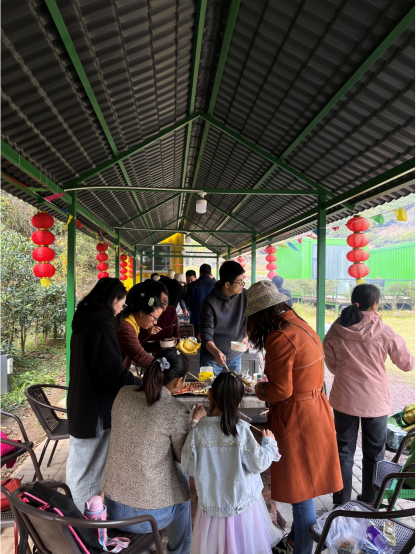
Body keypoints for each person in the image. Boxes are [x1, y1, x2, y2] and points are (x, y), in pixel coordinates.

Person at [245, 280, 342, 554]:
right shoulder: (302, 325)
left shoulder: (280, 336)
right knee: (306, 487)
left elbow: (280, 390)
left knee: (300, 492)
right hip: (316, 409)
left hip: (297, 417)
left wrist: (257, 388)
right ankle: (297, 543)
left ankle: (301, 549)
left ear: (260, 314)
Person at [103, 349, 206, 554]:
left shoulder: (123, 394)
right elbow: (186, 458)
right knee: (183, 484)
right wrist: (195, 422)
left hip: (112, 507)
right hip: (144, 518)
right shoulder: (174, 409)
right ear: (179, 382)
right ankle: (179, 552)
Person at [323, 284, 414, 506]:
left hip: (344, 397)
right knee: (374, 453)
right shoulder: (383, 330)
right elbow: (407, 364)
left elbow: (332, 364)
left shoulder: (337, 328)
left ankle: (341, 502)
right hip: (375, 400)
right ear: (375, 304)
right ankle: (370, 500)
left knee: (343, 451)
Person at [182, 373, 281, 554]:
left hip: (211, 511)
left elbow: (188, 466)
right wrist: (269, 444)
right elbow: (258, 464)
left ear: (210, 395)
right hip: (242, 509)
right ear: (238, 404)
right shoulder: (241, 430)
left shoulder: (198, 432)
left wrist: (195, 422)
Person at [67, 278, 141, 511]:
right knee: (89, 475)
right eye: (122, 303)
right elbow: (112, 375)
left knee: (79, 468)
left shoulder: (85, 319)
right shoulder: (101, 325)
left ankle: (73, 518)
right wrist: (141, 384)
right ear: (113, 299)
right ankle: (83, 524)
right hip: (94, 409)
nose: (121, 309)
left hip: (81, 403)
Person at [199, 260, 248, 375]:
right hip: (211, 357)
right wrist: (217, 353)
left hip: (235, 356)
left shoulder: (245, 296)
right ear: (227, 284)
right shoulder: (209, 302)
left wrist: (246, 337)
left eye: (243, 281)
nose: (242, 284)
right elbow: (206, 335)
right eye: (239, 282)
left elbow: (246, 320)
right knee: (208, 386)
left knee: (234, 385)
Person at [116, 285, 164, 371]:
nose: (155, 322)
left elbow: (134, 345)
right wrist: (164, 366)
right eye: (154, 318)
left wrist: (147, 333)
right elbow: (139, 356)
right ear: (142, 312)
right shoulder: (125, 327)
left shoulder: (134, 324)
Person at [139, 282, 181, 356]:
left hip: (169, 349)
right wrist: (148, 333)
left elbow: (176, 328)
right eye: (161, 303)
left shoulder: (171, 310)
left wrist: (177, 341)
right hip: (151, 352)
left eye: (166, 301)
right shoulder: (145, 314)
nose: (164, 306)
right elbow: (137, 341)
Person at [185, 264, 215, 337]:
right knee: (211, 338)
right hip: (212, 318)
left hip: (196, 317)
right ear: (210, 273)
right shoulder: (216, 285)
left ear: (200, 273)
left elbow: (187, 301)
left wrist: (194, 309)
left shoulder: (192, 285)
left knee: (198, 339)